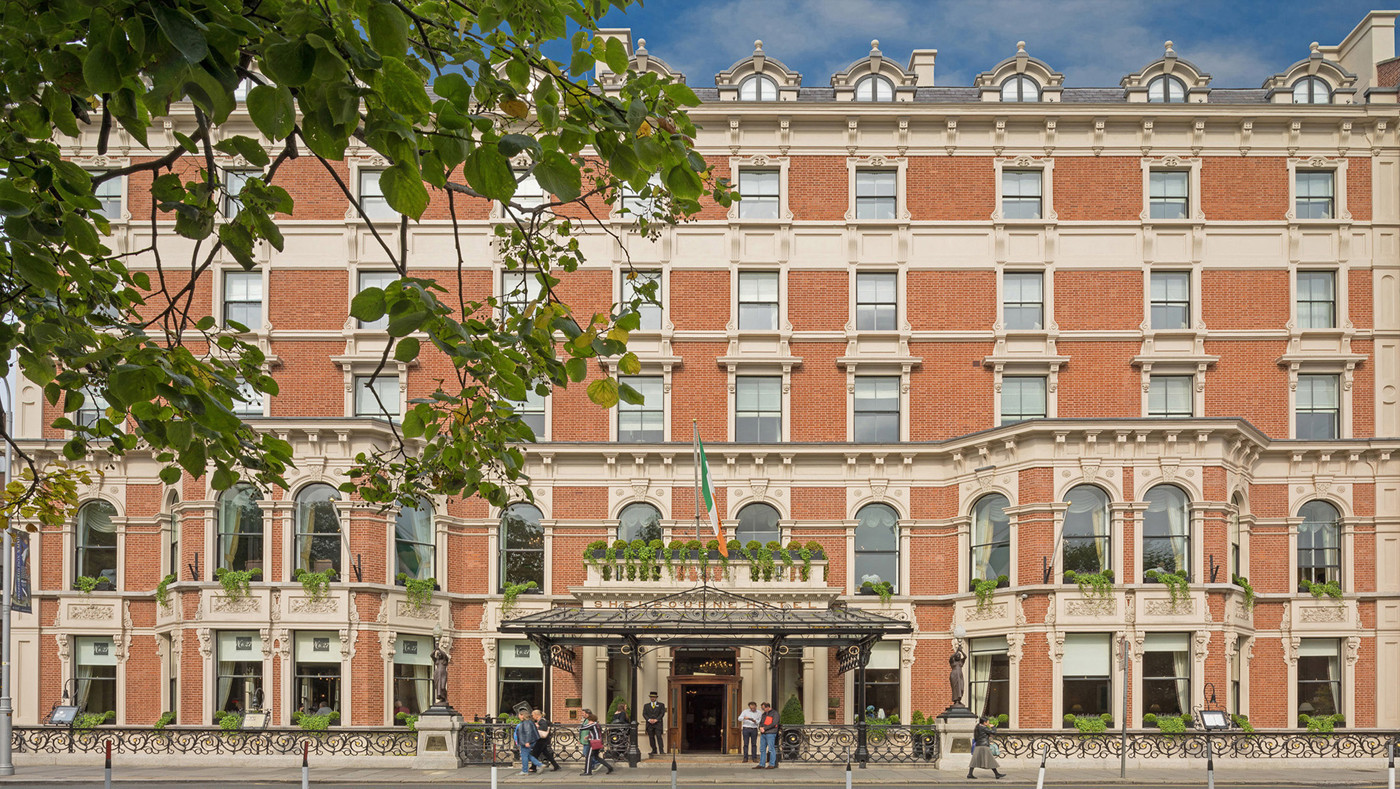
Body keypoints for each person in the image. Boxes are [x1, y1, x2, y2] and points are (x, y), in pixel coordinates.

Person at [966, 714, 1004, 780]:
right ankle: (997, 774)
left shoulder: (977, 727)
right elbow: (994, 732)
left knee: (974, 760)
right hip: (984, 745)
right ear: (984, 722)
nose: (989, 723)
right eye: (988, 722)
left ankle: (970, 774)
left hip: (978, 745)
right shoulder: (983, 728)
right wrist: (993, 727)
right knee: (991, 759)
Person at [579, 709, 614, 776]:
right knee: (596, 757)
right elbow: (596, 732)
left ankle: (587, 772)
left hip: (593, 743)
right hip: (598, 742)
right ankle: (609, 767)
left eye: (589, 720)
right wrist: (588, 736)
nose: (588, 721)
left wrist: (586, 724)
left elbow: (582, 728)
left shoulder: (592, 724)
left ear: (591, 720)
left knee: (588, 757)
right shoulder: (597, 725)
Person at [754, 701, 778, 770]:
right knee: (762, 749)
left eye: (763, 708)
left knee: (771, 749)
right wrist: (760, 728)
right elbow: (761, 722)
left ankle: (772, 764)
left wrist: (765, 728)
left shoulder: (774, 713)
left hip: (771, 733)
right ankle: (762, 764)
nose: (763, 710)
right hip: (764, 733)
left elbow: (774, 723)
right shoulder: (764, 714)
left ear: (768, 707)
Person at [642, 691, 667, 756]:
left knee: (659, 736)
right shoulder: (646, 705)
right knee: (651, 737)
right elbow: (644, 714)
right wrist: (649, 719)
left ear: (656, 698)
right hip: (649, 724)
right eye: (651, 697)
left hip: (658, 723)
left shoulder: (661, 705)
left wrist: (656, 719)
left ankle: (661, 750)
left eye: (654, 697)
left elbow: (662, 713)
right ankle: (654, 750)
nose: (652, 698)